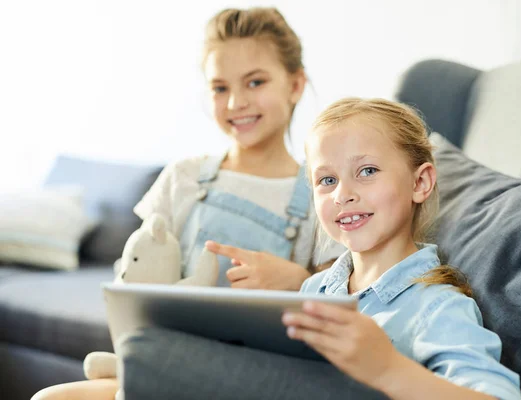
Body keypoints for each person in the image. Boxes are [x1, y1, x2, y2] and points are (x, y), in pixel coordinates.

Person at [110, 98, 521, 400]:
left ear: (420, 183)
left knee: (146, 355)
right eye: (326, 180)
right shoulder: (319, 290)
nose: (343, 194)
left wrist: (388, 369)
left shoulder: (436, 306)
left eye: (367, 171)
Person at [32, 7, 342, 400]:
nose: (235, 103)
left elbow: (347, 303)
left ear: (295, 84)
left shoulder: (323, 191)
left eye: (255, 82)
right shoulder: (185, 177)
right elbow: (131, 278)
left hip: (252, 378)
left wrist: (299, 279)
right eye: (220, 88)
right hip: (160, 361)